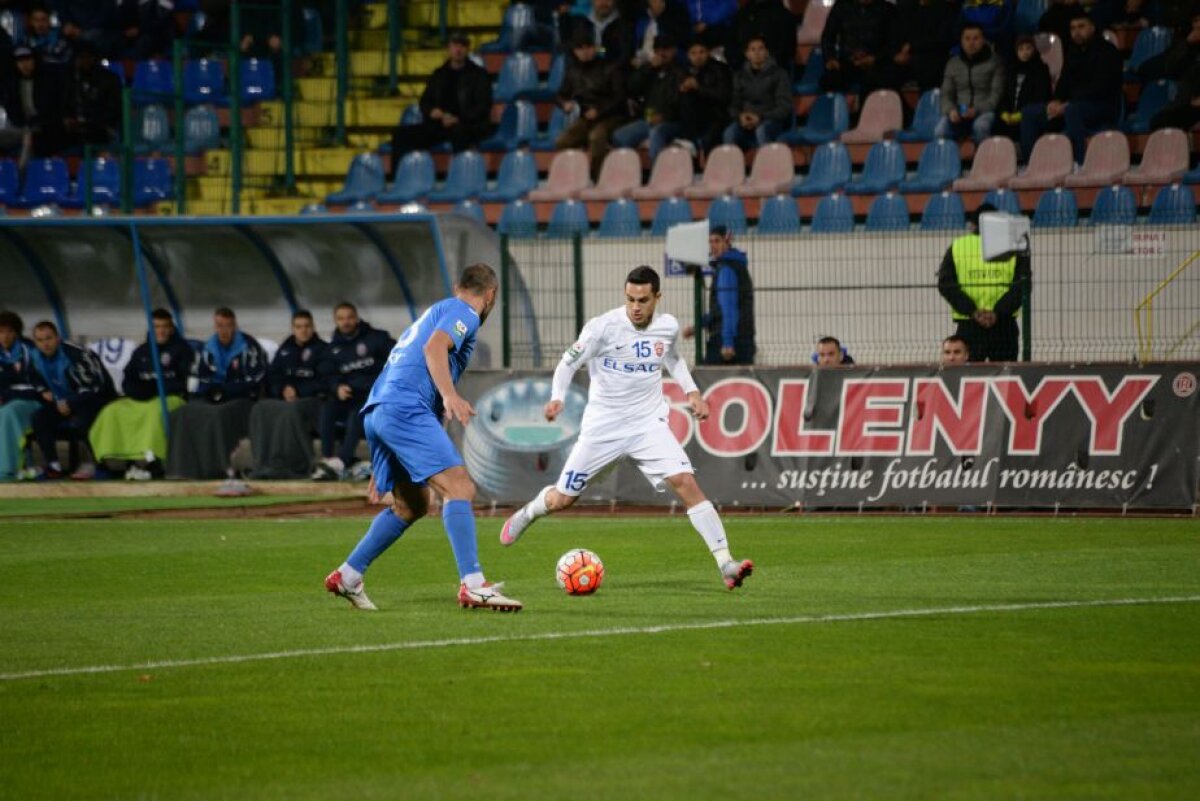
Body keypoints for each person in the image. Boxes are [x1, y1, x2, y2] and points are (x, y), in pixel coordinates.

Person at [499, 265, 754, 592]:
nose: (635, 306)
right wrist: (557, 398)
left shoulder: (667, 327)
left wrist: (692, 391)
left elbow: (672, 358)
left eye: (643, 300)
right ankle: (530, 512)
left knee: (685, 482)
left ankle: (726, 563)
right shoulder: (602, 328)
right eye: (630, 299)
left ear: (657, 297)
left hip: (648, 425)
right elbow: (568, 363)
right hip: (603, 428)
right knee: (562, 500)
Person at [325, 264, 522, 612]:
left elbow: (404, 366)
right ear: (490, 295)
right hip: (402, 409)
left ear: (458, 285)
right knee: (459, 488)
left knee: (412, 504)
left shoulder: (436, 310)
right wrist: (450, 396)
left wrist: (387, 447)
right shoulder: (465, 313)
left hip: (381, 409)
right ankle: (474, 585)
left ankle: (348, 575)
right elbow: (434, 350)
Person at [88, 308, 194, 479]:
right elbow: (128, 378)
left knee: (155, 413)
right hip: (142, 398)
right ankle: (110, 459)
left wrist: (155, 388)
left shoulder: (182, 350)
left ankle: (154, 459)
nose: (161, 331)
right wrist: (137, 390)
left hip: (170, 397)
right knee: (112, 411)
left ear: (171, 328)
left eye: (164, 326)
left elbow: (184, 381)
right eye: (156, 327)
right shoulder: (142, 351)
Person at [166, 307, 268, 479]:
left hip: (243, 401)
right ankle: (180, 469)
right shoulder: (208, 348)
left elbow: (254, 381)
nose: (223, 330)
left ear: (234, 325)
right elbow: (199, 378)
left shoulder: (249, 347)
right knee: (182, 412)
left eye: (227, 326)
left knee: (217, 415)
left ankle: (218, 469)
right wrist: (211, 390)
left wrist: (224, 390)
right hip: (213, 397)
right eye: (220, 325)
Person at [1019, 11, 1122, 166]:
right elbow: (1063, 83)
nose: (1076, 32)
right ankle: (1031, 165)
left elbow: (1101, 87)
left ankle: (1079, 163)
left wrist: (1067, 104)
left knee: (1072, 111)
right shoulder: (1073, 52)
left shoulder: (1108, 51)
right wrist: (1056, 101)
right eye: (1073, 28)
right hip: (1071, 104)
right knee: (1029, 113)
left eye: (1081, 27)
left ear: (1092, 28)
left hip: (1102, 106)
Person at [387, 32, 492, 179]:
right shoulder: (439, 74)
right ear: (448, 48)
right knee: (400, 134)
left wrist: (458, 118)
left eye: (462, 46)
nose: (458, 50)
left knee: (460, 134)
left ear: (467, 49)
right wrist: (431, 112)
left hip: (467, 124)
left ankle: (461, 179)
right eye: (455, 45)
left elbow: (483, 107)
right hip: (440, 124)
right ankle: (398, 180)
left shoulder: (479, 75)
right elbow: (425, 102)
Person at [937, 204, 1031, 362]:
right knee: (1005, 376)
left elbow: (946, 285)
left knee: (970, 379)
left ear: (973, 224)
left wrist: (973, 311)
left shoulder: (958, 246)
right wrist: (998, 313)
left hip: (969, 323)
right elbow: (1023, 285)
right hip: (1004, 324)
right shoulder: (1014, 247)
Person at [312, 302, 393, 481]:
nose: (346, 322)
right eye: (341, 318)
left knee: (357, 414)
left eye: (349, 317)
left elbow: (396, 361)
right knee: (328, 409)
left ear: (356, 318)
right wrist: (337, 387)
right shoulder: (333, 348)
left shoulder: (377, 338)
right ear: (336, 321)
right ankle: (327, 459)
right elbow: (326, 373)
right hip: (349, 396)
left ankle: (342, 461)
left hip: (374, 395)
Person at [29, 319, 116, 479]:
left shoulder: (77, 354)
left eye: (48, 338)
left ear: (57, 338)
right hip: (65, 402)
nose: (45, 344)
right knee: (39, 417)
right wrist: (43, 390)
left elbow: (95, 385)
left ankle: (100, 465)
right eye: (40, 340)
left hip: (98, 398)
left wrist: (71, 402)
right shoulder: (35, 357)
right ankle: (54, 466)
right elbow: (33, 377)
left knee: (82, 417)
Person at [248, 309, 328, 479]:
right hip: (285, 398)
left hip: (313, 401)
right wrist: (283, 389)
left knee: (291, 411)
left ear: (313, 327)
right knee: (261, 408)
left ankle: (292, 465)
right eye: (299, 327)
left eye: (307, 326)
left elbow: (324, 381)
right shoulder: (285, 349)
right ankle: (263, 463)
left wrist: (298, 390)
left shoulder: (322, 350)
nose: (303, 330)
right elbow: (274, 375)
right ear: (293, 329)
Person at [555, 29, 627, 180]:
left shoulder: (610, 67)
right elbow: (559, 94)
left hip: (612, 116)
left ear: (594, 48)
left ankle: (598, 178)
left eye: (588, 47)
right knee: (562, 141)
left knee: (596, 137)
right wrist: (564, 104)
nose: (585, 52)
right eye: (580, 49)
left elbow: (620, 98)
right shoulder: (572, 71)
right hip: (586, 116)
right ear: (575, 51)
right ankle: (573, 178)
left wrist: (599, 110)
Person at [684, 225, 756, 365]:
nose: (713, 246)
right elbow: (718, 310)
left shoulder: (727, 268)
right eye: (710, 242)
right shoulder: (734, 265)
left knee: (705, 379)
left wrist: (728, 342)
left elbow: (729, 309)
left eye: (717, 241)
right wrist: (697, 327)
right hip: (742, 339)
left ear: (727, 242)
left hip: (729, 340)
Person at [611, 34, 686, 163]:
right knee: (620, 136)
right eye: (658, 50)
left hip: (673, 121)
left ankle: (658, 174)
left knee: (657, 133)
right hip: (648, 119)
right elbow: (632, 87)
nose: (662, 54)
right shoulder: (650, 70)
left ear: (674, 50)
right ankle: (633, 172)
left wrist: (665, 116)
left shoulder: (681, 72)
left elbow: (681, 102)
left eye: (666, 50)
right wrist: (648, 68)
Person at [935, 24, 1005, 143]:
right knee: (940, 130)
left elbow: (996, 95)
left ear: (983, 40)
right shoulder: (953, 63)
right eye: (967, 39)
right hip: (959, 113)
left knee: (980, 127)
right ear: (961, 41)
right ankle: (951, 160)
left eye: (975, 38)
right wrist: (951, 110)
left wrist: (976, 110)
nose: (971, 43)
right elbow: (946, 94)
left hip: (984, 111)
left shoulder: (995, 62)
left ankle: (983, 160)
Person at [723, 35, 791, 149]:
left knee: (762, 130)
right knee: (729, 132)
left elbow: (784, 108)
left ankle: (767, 166)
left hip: (771, 120)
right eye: (752, 49)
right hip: (746, 121)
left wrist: (761, 117)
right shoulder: (739, 76)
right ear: (747, 54)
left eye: (761, 48)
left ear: (767, 52)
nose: (757, 53)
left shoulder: (779, 74)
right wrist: (740, 116)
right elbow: (734, 104)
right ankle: (732, 167)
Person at [820, 0, 894, 100]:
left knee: (877, 79)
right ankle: (835, 113)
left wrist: (875, 58)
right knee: (829, 80)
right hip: (848, 61)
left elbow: (893, 42)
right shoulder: (841, 6)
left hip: (876, 63)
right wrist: (830, 58)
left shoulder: (887, 9)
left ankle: (867, 114)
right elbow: (828, 37)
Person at [0, 311, 43, 481]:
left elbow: (36, 385)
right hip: (7, 399)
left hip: (31, 402)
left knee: (8, 412)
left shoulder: (30, 350)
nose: (5, 336)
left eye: (9, 331)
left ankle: (10, 467)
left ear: (17, 333)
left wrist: (6, 393)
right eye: (1, 331)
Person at [59, 39, 122, 152]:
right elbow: (64, 104)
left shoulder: (109, 79)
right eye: (79, 58)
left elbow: (113, 111)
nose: (83, 61)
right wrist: (67, 119)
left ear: (93, 58)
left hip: (100, 127)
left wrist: (88, 121)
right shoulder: (70, 78)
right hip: (74, 128)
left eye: (86, 57)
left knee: (92, 136)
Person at [883, 0, 959, 93]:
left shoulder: (945, 9)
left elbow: (942, 40)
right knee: (886, 73)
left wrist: (912, 46)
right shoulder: (906, 9)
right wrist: (896, 55)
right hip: (906, 57)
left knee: (929, 69)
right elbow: (895, 34)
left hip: (932, 56)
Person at [674, 37, 731, 156]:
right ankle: (689, 144)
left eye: (702, 52)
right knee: (686, 99)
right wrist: (681, 90)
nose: (698, 56)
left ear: (708, 53)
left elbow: (723, 96)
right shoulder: (683, 70)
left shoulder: (719, 69)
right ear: (688, 55)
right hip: (694, 116)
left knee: (710, 137)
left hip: (716, 115)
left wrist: (699, 87)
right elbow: (673, 100)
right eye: (693, 53)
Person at [993, 34, 1052, 145]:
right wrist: (1004, 113)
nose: (1025, 52)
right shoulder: (1011, 70)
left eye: (1028, 48)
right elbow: (1005, 95)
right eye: (1021, 49)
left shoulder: (1041, 69)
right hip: (1010, 115)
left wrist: (1020, 115)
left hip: (1028, 115)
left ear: (1034, 50)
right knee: (996, 120)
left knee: (1028, 122)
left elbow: (1041, 96)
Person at [728, 0, 799, 73]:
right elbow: (730, 47)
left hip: (774, 73)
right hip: (743, 72)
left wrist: (765, 63)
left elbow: (787, 51)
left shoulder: (783, 15)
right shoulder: (742, 14)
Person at [565, 0, 635, 65]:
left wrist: (598, 50)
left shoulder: (626, 26)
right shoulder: (579, 23)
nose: (603, 2)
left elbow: (622, 54)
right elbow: (568, 47)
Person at [632, 0, 689, 67]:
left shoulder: (677, 13)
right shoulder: (641, 17)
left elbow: (681, 44)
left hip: (669, 63)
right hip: (642, 62)